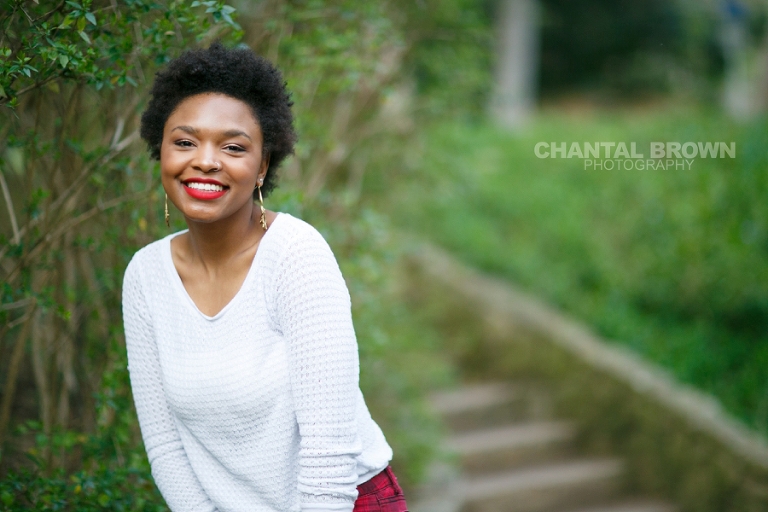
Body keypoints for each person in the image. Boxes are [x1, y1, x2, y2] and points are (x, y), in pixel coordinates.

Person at [122, 42, 408, 512]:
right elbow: (165, 446)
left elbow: (329, 456)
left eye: (233, 147)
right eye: (185, 141)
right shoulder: (145, 277)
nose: (206, 161)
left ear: (263, 166)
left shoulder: (296, 256)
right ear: (162, 152)